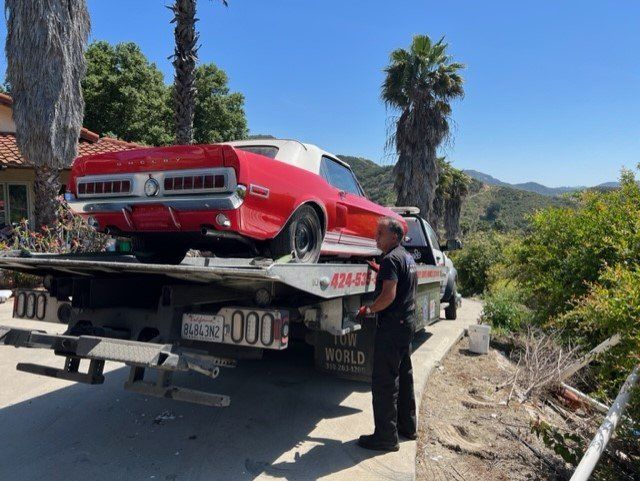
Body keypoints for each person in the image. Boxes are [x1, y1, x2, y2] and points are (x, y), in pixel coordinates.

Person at [357, 216, 418, 452]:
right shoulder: (405, 256)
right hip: (406, 324)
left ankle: (385, 437)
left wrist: (369, 309)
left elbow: (388, 296)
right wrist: (380, 269)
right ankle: (407, 427)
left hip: (392, 327)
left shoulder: (391, 260)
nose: (376, 237)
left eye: (379, 234)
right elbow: (398, 278)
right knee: (404, 376)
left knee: (384, 381)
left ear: (394, 236)